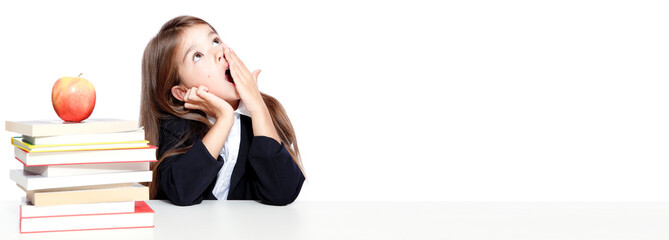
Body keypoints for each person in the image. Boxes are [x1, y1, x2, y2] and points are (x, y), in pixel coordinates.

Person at [140, 15, 305, 206]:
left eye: (216, 41)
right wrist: (224, 119)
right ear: (182, 92)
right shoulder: (176, 125)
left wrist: (258, 108)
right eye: (197, 56)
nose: (219, 53)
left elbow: (283, 192)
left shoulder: (265, 113)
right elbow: (182, 192)